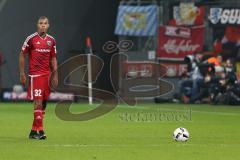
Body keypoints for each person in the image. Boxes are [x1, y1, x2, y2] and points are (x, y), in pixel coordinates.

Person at [19, 16, 58, 140]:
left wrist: (55, 74)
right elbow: (22, 55)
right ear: (37, 25)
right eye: (41, 23)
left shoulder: (51, 40)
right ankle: (40, 131)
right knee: (38, 103)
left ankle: (33, 131)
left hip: (47, 75)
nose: (43, 25)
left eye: (45, 23)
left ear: (48, 25)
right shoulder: (31, 39)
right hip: (35, 75)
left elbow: (53, 58)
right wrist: (22, 73)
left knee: (44, 103)